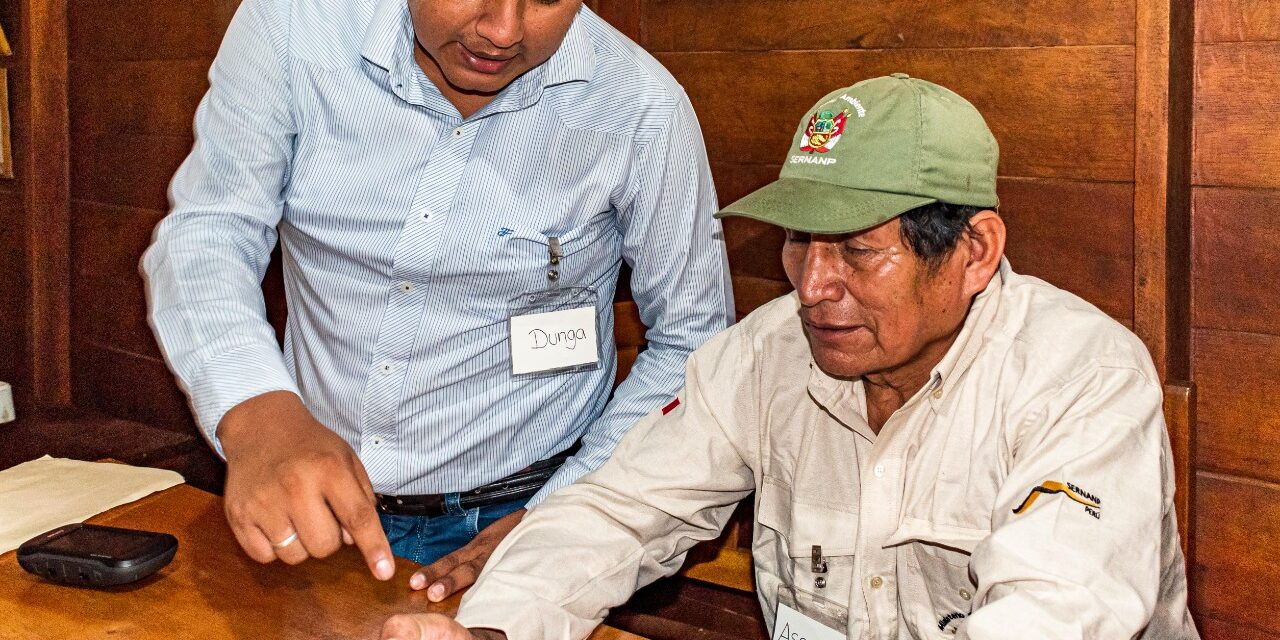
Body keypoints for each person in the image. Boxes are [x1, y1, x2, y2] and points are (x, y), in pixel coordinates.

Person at [380, 75, 1200, 639]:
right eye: (800, 242)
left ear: (974, 251)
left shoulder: (1081, 378)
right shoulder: (767, 354)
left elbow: (1053, 615)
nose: (812, 286)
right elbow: (620, 511)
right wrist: (498, 624)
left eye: (854, 250)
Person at [141, 0, 732, 601]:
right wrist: (258, 417)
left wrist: (566, 515)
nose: (502, 31)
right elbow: (210, 231)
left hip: (529, 508)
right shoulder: (295, 26)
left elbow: (694, 341)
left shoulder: (641, 105)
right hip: (308, 490)